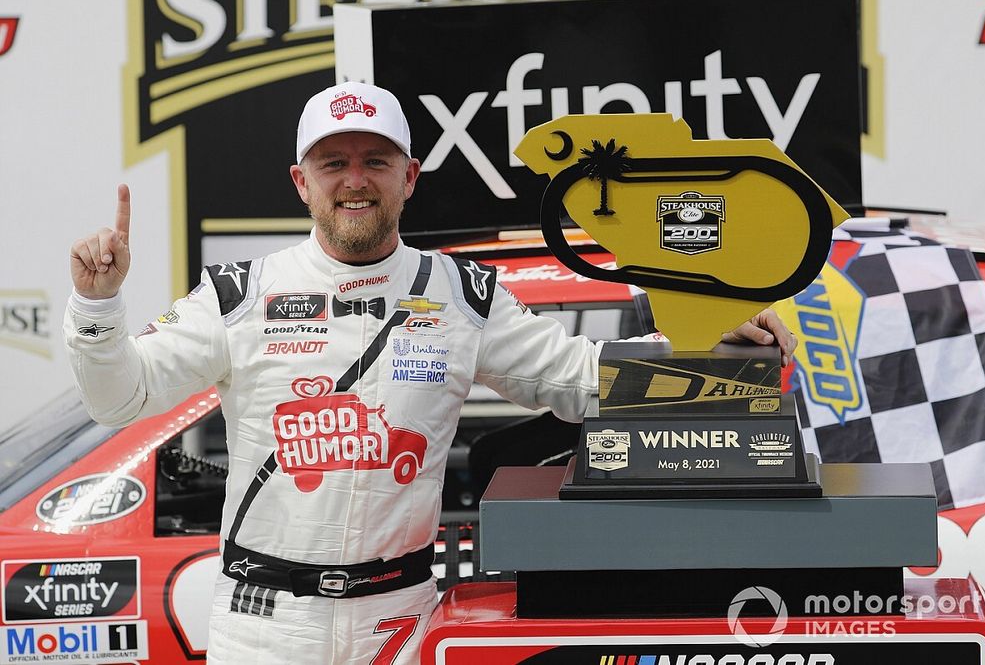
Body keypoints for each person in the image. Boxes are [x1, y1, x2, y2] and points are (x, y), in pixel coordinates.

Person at [65, 81, 797, 664]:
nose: (356, 180)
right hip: (265, 630)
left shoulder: (462, 296)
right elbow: (121, 395)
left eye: (375, 161)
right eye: (334, 162)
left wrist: (704, 339)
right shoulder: (241, 293)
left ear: (409, 176)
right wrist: (97, 309)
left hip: (401, 620)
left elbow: (577, 377)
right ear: (301, 181)